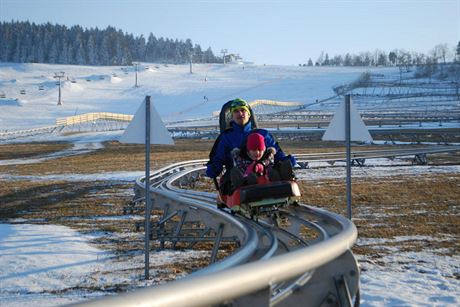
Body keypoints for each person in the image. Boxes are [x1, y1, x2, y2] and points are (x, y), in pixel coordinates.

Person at [206, 98, 297, 194]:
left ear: (249, 114)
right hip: (239, 172)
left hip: (265, 170)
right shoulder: (225, 138)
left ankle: (282, 180)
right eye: (236, 111)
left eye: (243, 110)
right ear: (231, 116)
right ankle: (244, 184)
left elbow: (276, 152)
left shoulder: (263, 134)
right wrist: (213, 169)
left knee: (276, 169)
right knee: (233, 175)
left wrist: (286, 161)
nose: (240, 113)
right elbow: (218, 158)